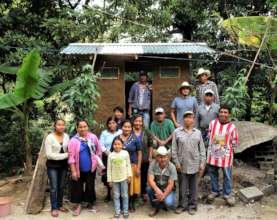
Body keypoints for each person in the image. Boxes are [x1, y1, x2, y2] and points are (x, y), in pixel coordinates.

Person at [172, 111, 206, 215]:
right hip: (182, 165)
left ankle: (192, 206)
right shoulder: (177, 132)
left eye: (190, 117)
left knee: (194, 187)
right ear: (183, 119)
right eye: (186, 117)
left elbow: (202, 150)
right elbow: (173, 150)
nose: (188, 119)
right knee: (182, 187)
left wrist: (202, 163)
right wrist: (177, 163)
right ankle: (182, 205)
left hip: (195, 164)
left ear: (193, 120)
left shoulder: (198, 133)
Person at [68, 120, 103, 216]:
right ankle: (78, 206)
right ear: (77, 128)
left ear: (88, 127)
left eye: (85, 126)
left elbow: (98, 151)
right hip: (78, 168)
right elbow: (71, 157)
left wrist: (99, 166)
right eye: (80, 127)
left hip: (91, 168)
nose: (83, 129)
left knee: (90, 185)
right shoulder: (73, 141)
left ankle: (90, 203)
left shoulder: (93, 137)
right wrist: (73, 171)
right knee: (77, 187)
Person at [206, 105, 238, 206]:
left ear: (229, 114)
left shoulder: (232, 127)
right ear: (218, 113)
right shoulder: (212, 123)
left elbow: (234, 142)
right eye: (221, 112)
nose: (223, 114)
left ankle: (227, 194)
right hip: (212, 156)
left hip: (226, 157)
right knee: (213, 174)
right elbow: (208, 137)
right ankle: (215, 191)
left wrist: (229, 152)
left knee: (227, 176)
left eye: (225, 112)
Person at [115, 120, 142, 212]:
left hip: (132, 166)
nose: (127, 129)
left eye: (129, 127)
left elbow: (139, 153)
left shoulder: (135, 138)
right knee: (122, 186)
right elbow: (113, 152)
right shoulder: (117, 138)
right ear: (121, 127)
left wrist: (138, 167)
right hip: (120, 167)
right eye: (125, 126)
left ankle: (131, 203)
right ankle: (123, 204)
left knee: (133, 186)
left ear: (131, 128)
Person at [45, 119, 69, 217]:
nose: (61, 126)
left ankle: (59, 205)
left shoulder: (67, 136)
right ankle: (54, 208)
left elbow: (70, 148)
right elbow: (49, 155)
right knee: (54, 187)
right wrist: (67, 155)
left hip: (63, 166)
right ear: (55, 126)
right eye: (59, 125)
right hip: (52, 165)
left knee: (61, 186)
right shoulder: (49, 138)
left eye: (63, 125)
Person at [147, 146, 177, 217]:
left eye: (164, 157)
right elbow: (150, 179)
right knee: (148, 189)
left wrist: (163, 195)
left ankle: (162, 203)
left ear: (167, 157)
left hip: (167, 188)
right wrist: (157, 190)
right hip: (157, 187)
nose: (162, 159)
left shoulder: (172, 167)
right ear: (156, 157)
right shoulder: (153, 164)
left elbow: (171, 184)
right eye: (160, 157)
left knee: (169, 202)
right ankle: (156, 207)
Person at [107, 137, 132, 219]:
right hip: (114, 179)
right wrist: (109, 180)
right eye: (115, 144)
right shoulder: (110, 155)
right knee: (116, 196)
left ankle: (125, 211)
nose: (117, 146)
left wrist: (129, 175)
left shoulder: (125, 153)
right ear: (113, 145)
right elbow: (109, 168)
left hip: (124, 178)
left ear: (122, 145)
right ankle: (117, 211)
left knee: (124, 195)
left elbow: (128, 165)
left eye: (119, 144)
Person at [100, 117, 122, 202]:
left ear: (116, 124)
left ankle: (119, 194)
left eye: (113, 123)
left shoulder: (120, 132)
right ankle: (109, 193)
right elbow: (101, 145)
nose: (111, 125)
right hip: (107, 156)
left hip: (119, 156)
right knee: (107, 176)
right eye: (109, 123)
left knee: (118, 174)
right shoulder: (104, 133)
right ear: (107, 125)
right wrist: (108, 153)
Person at [132, 114, 153, 202]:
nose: (138, 123)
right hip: (133, 159)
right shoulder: (130, 131)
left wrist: (150, 156)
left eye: (140, 121)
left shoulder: (146, 131)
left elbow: (150, 144)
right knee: (134, 176)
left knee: (144, 176)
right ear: (133, 122)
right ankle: (135, 193)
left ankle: (143, 192)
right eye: (136, 121)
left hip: (144, 157)